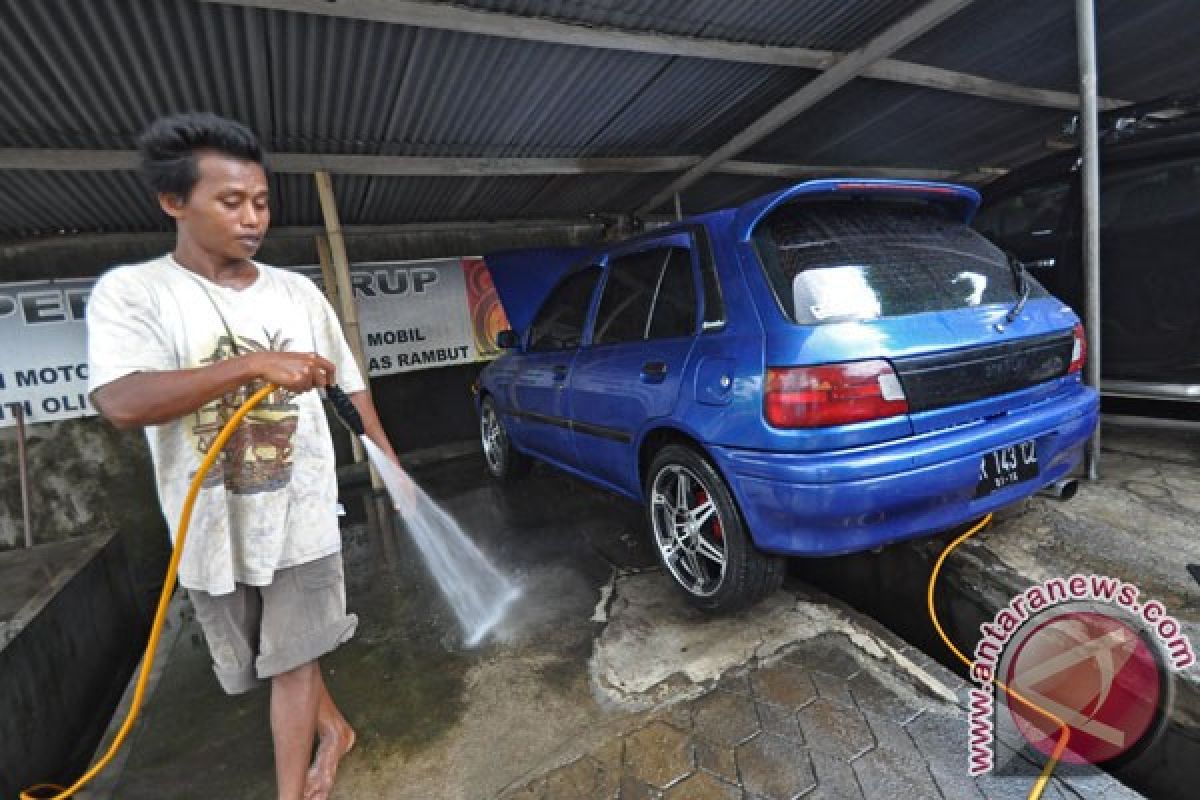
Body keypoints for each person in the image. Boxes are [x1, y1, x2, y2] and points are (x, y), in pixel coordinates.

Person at [86, 112, 402, 800]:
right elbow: (122, 402)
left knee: (294, 662)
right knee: (271, 661)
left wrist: (390, 465)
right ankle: (336, 730)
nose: (253, 217)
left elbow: (350, 384)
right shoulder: (134, 293)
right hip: (211, 530)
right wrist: (254, 365)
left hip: (303, 516)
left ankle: (295, 790)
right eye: (231, 202)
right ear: (175, 202)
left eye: (260, 201)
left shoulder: (297, 293)